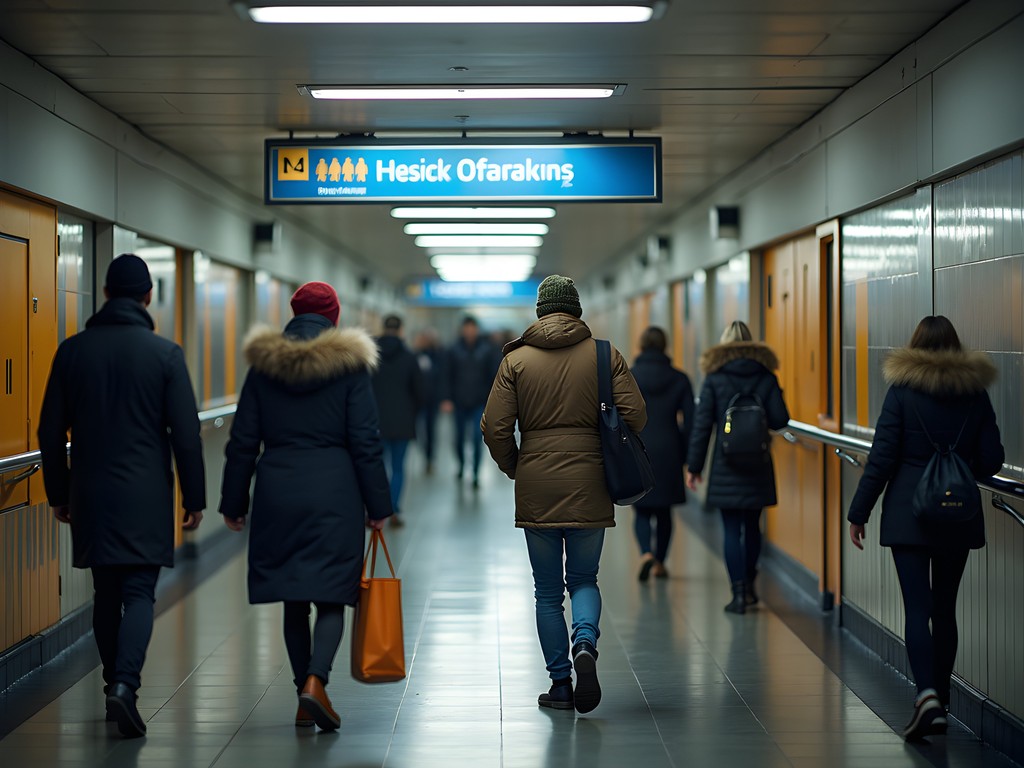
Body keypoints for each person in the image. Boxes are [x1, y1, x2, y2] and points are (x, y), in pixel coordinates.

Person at [37, 253, 206, 739]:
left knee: (107, 594)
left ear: (106, 294)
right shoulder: (165, 354)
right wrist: (193, 497)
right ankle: (125, 686)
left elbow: (50, 431)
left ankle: (114, 682)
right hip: (145, 495)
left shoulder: (72, 352)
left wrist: (59, 491)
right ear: (148, 296)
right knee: (138, 593)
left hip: (90, 492)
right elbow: (186, 434)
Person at [219, 281, 392, 732]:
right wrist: (378, 504)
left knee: (293, 597)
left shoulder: (264, 367)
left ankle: (303, 692)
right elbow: (366, 442)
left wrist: (233, 502)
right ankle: (317, 682)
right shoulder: (349, 368)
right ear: (334, 317)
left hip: (278, 489)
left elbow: (242, 442)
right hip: (335, 491)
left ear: (293, 314)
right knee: (333, 593)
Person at [482, 275, 646, 715]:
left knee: (548, 592)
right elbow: (637, 414)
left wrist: (518, 466)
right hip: (592, 479)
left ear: (539, 311)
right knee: (585, 579)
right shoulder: (602, 354)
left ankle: (560, 685)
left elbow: (494, 427)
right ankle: (586, 643)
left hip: (537, 481)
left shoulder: (515, 361)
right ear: (576, 309)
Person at [846, 315, 1003, 741]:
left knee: (917, 608)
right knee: (945, 608)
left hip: (908, 516)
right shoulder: (975, 393)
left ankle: (926, 695)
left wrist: (858, 512)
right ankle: (943, 703)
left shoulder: (902, 392)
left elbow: (881, 458)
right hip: (957, 516)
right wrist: (958, 465)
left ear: (914, 346)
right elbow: (991, 460)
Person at [686, 320, 789, 614]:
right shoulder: (766, 376)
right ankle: (752, 584)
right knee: (752, 527)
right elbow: (781, 419)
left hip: (725, 463)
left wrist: (694, 467)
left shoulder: (714, 378)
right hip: (758, 461)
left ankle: (738, 593)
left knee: (731, 529)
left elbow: (702, 426)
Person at [630, 326, 694, 581]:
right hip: (669, 448)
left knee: (642, 509)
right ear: (665, 345)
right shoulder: (680, 379)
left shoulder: (630, 377)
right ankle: (659, 562)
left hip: (639, 448)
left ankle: (646, 552)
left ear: (642, 346)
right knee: (665, 512)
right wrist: (687, 454)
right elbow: (691, 420)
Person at [371, 314, 424, 527]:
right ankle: (394, 509)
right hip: (403, 421)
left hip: (376, 421)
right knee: (399, 467)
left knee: (380, 465)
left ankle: (379, 509)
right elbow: (420, 392)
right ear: (401, 330)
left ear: (383, 329)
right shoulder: (410, 357)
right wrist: (412, 412)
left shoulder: (371, 356)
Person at [441, 315, 500, 489]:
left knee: (476, 437)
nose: (469, 331)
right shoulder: (453, 350)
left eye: (472, 328)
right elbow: (446, 376)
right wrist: (446, 398)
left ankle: (475, 473)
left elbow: (494, 377)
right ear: (462, 330)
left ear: (477, 330)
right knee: (458, 438)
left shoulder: (487, 350)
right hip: (458, 402)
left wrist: (494, 400)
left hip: (479, 402)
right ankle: (460, 465)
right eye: (466, 328)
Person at [412, 327, 444, 474]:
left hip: (432, 400)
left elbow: (442, 377)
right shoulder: (414, 356)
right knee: (419, 430)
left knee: (431, 430)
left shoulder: (438, 355)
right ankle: (423, 451)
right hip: (418, 400)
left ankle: (429, 457)